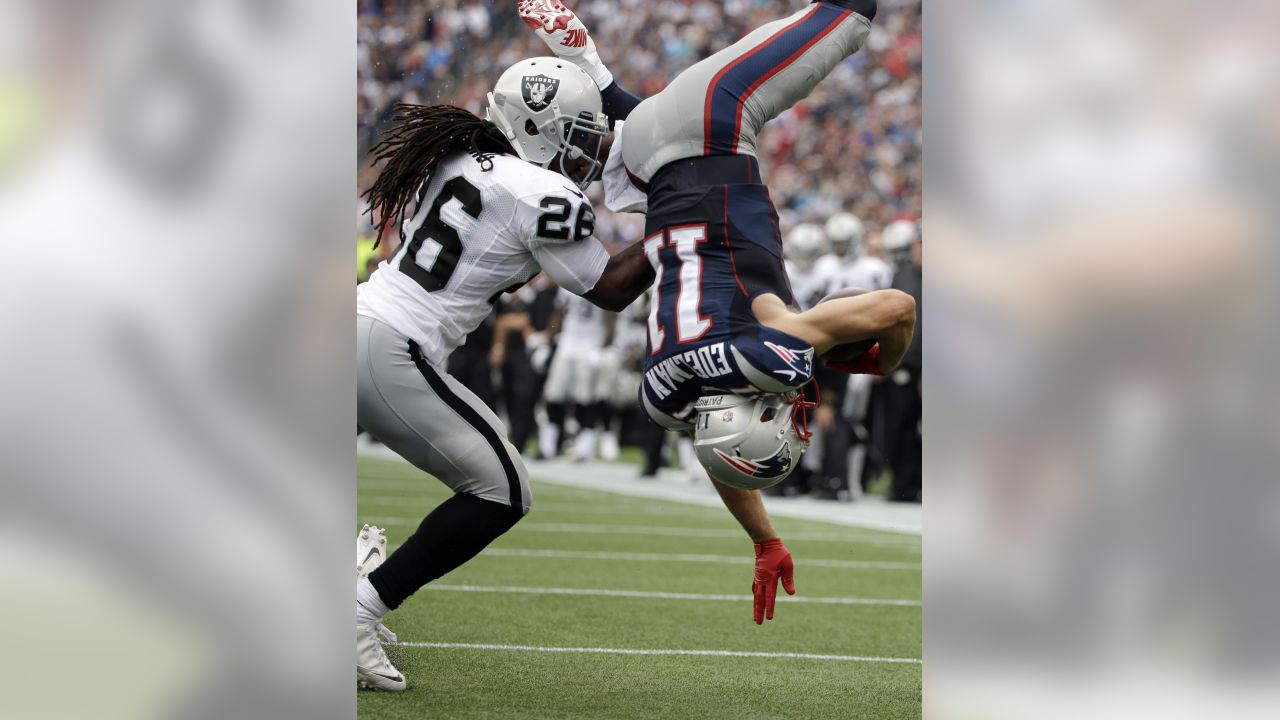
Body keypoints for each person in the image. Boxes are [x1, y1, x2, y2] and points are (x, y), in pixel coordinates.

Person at [522, 0, 915, 625]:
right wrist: (764, 539)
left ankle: (594, 69)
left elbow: (898, 309)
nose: (794, 416)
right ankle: (591, 70)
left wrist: (875, 364)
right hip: (651, 166)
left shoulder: (773, 349)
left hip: (715, 119)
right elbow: (715, 446)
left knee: (852, 15)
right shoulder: (667, 399)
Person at [354, 57, 654, 691]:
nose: (585, 151)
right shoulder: (541, 192)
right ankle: (357, 609)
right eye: (576, 133)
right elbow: (611, 287)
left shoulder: (457, 159)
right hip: (390, 344)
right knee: (503, 490)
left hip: (361, 320)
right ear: (540, 128)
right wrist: (683, 225)